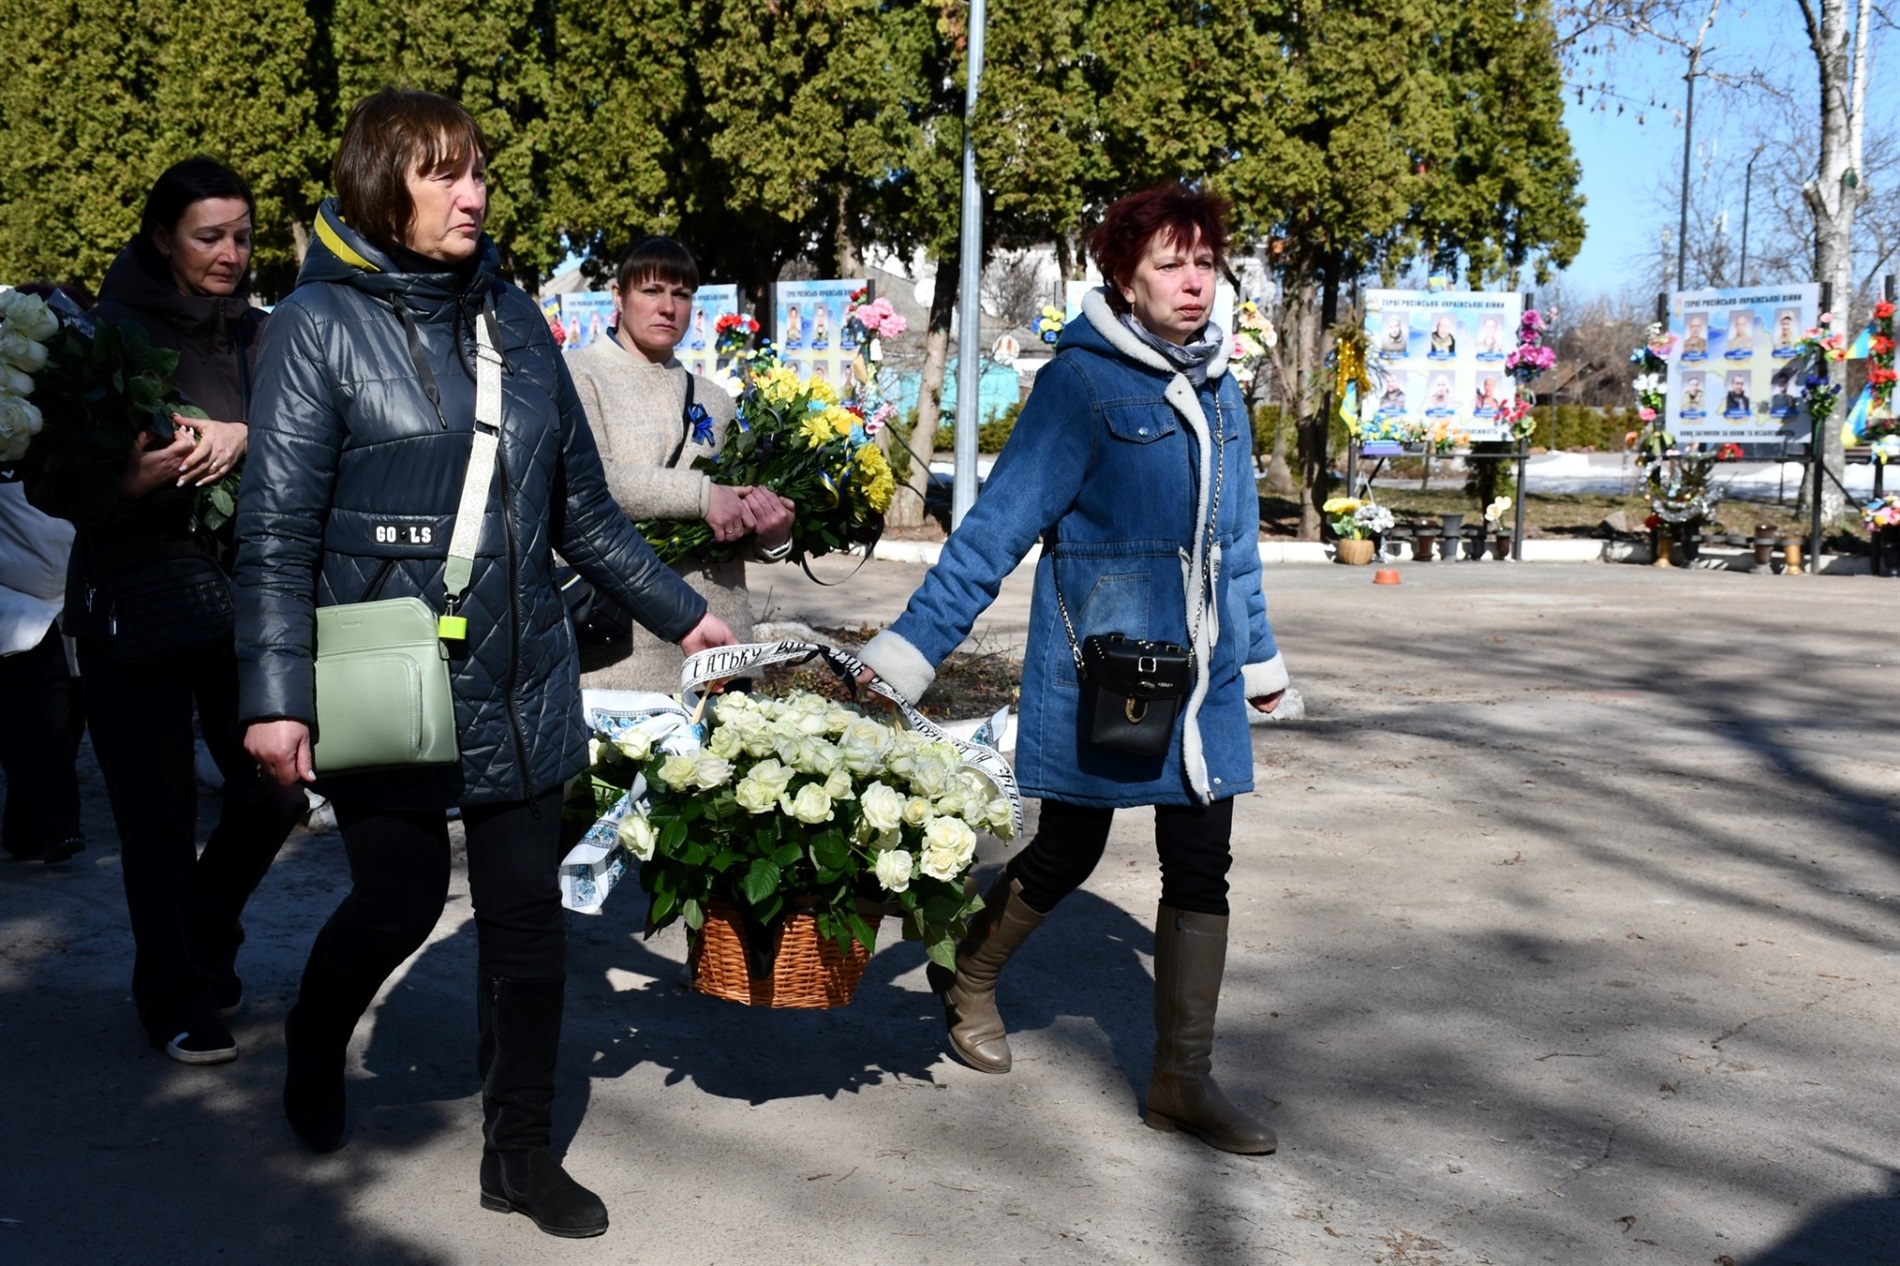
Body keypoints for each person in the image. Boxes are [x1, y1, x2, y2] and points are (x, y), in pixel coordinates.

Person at [233, 89, 735, 1238]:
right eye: (442, 174)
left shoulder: (513, 318)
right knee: (399, 901)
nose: (473, 194)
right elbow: (275, 533)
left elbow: (585, 514)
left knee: (527, 925)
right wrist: (275, 700)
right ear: (380, 186)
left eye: (478, 173)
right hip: (385, 668)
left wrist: (685, 611)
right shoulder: (316, 326)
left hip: (519, 670)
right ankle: (315, 1041)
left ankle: (517, 1155)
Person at [859, 183, 1288, 1156]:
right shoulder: (1079, 386)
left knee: (1202, 861)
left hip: (1206, 672)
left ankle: (1180, 1080)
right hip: (1114, 665)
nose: (1192, 282)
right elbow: (995, 529)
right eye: (1169, 263)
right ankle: (967, 970)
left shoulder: (1223, 389)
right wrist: (914, 647)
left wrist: (1258, 659)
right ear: (1123, 276)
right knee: (1069, 850)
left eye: (1204, 262)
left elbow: (1239, 544)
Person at [68, 159, 307, 1064]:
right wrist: (126, 480)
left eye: (242, 234)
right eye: (210, 235)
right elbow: (60, 486)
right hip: (133, 605)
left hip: (246, 599)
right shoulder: (101, 335)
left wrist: (249, 435)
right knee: (157, 815)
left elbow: (305, 442)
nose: (232, 253)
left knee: (276, 791)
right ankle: (174, 994)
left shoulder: (266, 337)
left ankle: (198, 937)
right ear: (164, 234)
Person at [566, 236, 793, 692]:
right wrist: (701, 495)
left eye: (682, 294)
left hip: (724, 649)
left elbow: (730, 521)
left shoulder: (715, 398)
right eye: (651, 291)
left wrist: (771, 534)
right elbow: (588, 481)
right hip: (626, 654)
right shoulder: (577, 375)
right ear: (617, 296)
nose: (668, 307)